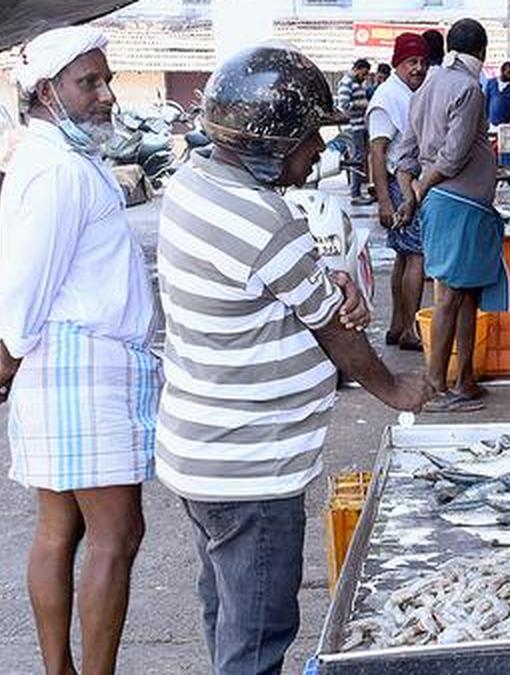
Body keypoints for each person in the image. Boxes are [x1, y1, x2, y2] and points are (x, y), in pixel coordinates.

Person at [156, 43, 431, 674]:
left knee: (227, 613)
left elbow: (271, 287)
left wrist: (327, 280)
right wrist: (394, 387)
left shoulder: (192, 184)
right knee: (259, 637)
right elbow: (334, 328)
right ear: (272, 143)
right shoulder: (261, 218)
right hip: (252, 469)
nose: (319, 151)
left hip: (201, 454)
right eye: (310, 138)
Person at [0, 26, 160, 675]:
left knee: (62, 528)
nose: (106, 94)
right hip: (80, 365)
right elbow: (25, 282)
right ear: (47, 91)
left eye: (107, 80)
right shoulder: (57, 169)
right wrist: (4, 361)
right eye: (89, 82)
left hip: (69, 362)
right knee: (116, 533)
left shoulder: (60, 159)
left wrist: (9, 361)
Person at [395, 19, 510, 413]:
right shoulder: (468, 88)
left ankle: (465, 379)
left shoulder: (426, 86)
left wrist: (412, 194)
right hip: (457, 201)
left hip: (452, 203)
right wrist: (420, 190)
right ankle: (435, 385)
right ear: (482, 50)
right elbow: (453, 155)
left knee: (467, 292)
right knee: (448, 295)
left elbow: (404, 156)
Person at [367, 33, 429, 351]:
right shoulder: (387, 98)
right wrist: (384, 201)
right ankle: (410, 330)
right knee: (416, 256)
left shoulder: (406, 93)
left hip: (402, 184)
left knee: (404, 257)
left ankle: (397, 325)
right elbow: (377, 153)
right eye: (411, 62)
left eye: (422, 62)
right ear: (397, 63)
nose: (418, 68)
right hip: (398, 186)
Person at [335, 57, 373, 204]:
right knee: (357, 159)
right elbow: (343, 105)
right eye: (363, 74)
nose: (364, 77)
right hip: (353, 127)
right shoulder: (347, 82)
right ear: (356, 69)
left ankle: (356, 191)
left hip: (360, 126)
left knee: (359, 158)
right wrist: (362, 104)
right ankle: (355, 194)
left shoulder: (356, 83)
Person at [484, 61, 510, 126]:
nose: (508, 75)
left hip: (506, 125)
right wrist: (486, 120)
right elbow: (485, 102)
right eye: (506, 72)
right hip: (491, 124)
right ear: (502, 71)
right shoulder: (491, 83)